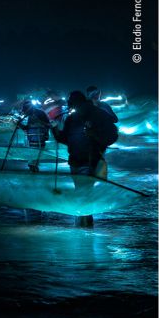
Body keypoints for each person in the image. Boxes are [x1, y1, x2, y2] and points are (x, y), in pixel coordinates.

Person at [52, 90, 117, 227]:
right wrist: (55, 131)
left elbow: (112, 136)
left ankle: (85, 224)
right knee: (81, 192)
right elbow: (65, 138)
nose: (71, 106)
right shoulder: (71, 118)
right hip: (75, 160)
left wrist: (95, 135)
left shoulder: (98, 114)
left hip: (91, 160)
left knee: (85, 192)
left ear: (79, 102)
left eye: (72, 103)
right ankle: (83, 223)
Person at [18, 99, 51, 172]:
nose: (26, 113)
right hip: (31, 139)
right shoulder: (30, 116)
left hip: (40, 138)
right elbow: (27, 128)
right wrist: (19, 124)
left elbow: (48, 125)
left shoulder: (40, 113)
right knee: (32, 155)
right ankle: (32, 166)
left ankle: (33, 166)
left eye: (26, 110)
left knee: (36, 154)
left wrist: (39, 122)